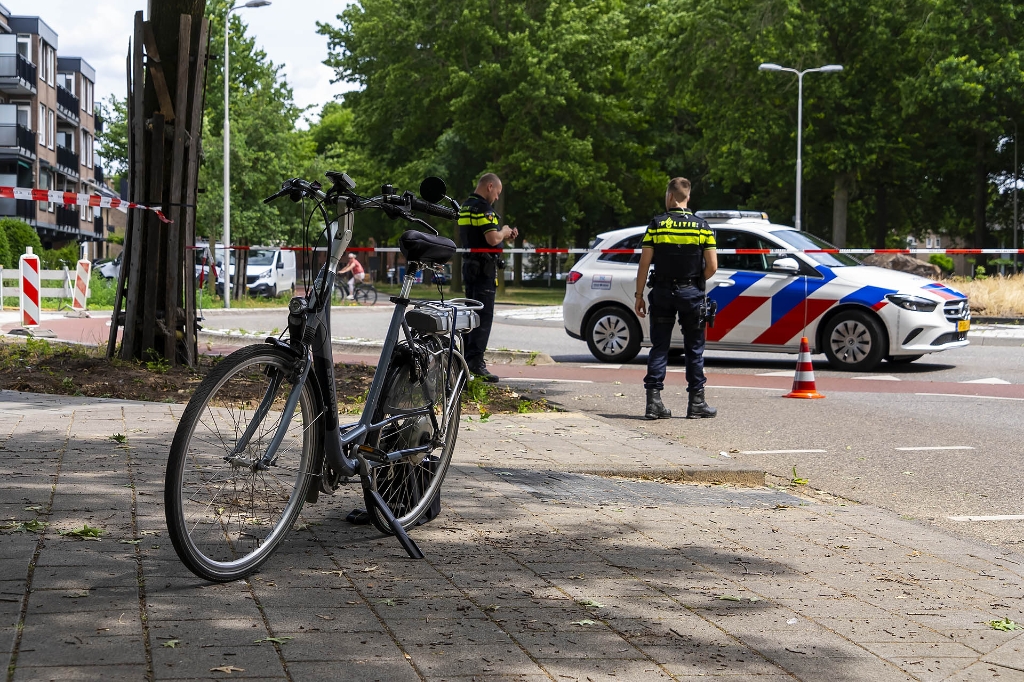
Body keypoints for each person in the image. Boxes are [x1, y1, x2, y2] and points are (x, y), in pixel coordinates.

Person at [634, 177, 718, 419]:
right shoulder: (702, 226)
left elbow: (644, 264)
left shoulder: (657, 225)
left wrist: (639, 296)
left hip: (661, 292)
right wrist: (694, 280)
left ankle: (654, 403)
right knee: (694, 349)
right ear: (688, 197)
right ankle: (696, 403)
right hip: (691, 294)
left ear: (670, 197)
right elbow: (712, 267)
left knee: (659, 347)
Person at [459, 173, 518, 382]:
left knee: (470, 316)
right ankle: (476, 364)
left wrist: (503, 236)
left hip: (470, 267)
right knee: (483, 318)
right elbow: (492, 239)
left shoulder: (465, 207)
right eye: (497, 193)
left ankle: (464, 363)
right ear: (490, 186)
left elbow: (478, 237)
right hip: (484, 271)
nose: (497, 198)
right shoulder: (484, 209)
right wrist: (503, 231)